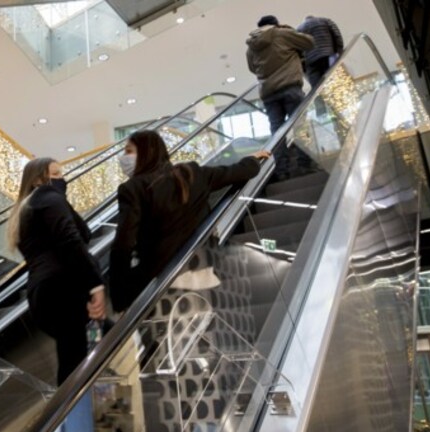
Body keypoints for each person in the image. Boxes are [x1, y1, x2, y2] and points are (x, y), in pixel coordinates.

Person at [109, 130, 270, 311]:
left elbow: (123, 245)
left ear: (147, 152)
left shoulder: (132, 188)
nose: (124, 157)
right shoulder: (191, 173)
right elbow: (239, 171)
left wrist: (118, 298)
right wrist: (253, 159)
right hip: (204, 274)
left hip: (163, 286)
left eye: (129, 151)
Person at [7, 157, 106, 385]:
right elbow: (71, 240)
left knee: (75, 357)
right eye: (57, 174)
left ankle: (72, 415)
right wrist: (96, 284)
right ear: (39, 179)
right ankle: (70, 416)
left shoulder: (27, 208)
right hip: (63, 289)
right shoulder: (49, 198)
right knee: (74, 363)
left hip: (45, 293)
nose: (63, 179)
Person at [246, 15, 315, 179]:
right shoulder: (281, 33)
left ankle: (282, 170)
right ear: (274, 24)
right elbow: (309, 42)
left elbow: (252, 68)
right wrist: (288, 30)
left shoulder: (251, 47)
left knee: (277, 131)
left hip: (268, 92)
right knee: (299, 126)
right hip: (290, 86)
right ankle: (305, 164)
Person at [297, 15, 344, 89]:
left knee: (317, 88)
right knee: (335, 81)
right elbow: (337, 35)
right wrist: (338, 51)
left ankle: (323, 98)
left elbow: (298, 51)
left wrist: (304, 68)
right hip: (328, 55)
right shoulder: (325, 20)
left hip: (310, 61)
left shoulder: (299, 28)